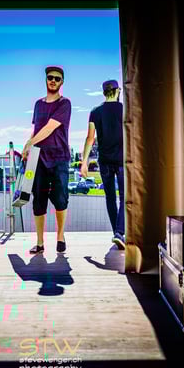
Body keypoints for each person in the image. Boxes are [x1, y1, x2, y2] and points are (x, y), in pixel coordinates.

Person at [22, 66, 72, 254]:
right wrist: (27, 148)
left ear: (62, 82)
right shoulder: (38, 104)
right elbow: (36, 129)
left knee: (61, 199)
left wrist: (29, 143)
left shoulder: (64, 103)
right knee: (38, 201)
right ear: (45, 79)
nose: (53, 81)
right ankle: (40, 243)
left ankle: (60, 236)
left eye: (57, 79)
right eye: (50, 77)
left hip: (59, 158)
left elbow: (50, 128)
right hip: (39, 159)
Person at [80, 79, 125, 249]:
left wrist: (84, 162)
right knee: (125, 197)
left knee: (110, 198)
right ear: (118, 91)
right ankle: (119, 233)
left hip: (104, 161)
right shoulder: (125, 109)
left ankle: (117, 233)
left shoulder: (95, 112)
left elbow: (90, 138)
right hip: (122, 160)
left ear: (104, 92)